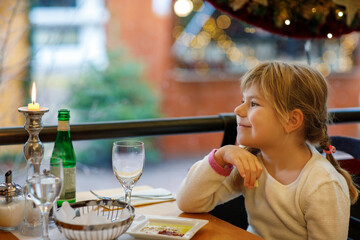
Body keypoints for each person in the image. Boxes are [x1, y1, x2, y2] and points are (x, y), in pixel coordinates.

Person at [176, 61, 359, 240]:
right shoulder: (252, 161)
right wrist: (221, 156)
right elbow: (188, 202)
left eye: (253, 104)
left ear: (292, 120)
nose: (238, 110)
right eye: (242, 101)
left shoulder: (322, 184)